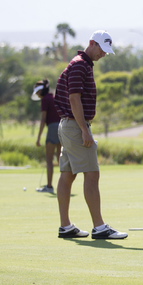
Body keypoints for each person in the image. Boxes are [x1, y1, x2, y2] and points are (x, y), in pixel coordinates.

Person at [53, 30, 127, 240]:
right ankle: (99, 227)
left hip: (68, 125)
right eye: (102, 50)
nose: (103, 54)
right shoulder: (79, 65)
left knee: (68, 174)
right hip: (75, 126)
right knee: (92, 174)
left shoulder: (81, 64)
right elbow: (74, 99)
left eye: (106, 51)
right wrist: (84, 130)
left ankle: (65, 226)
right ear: (92, 43)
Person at [31, 79, 61, 193]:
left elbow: (43, 119)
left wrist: (38, 137)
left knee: (49, 159)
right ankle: (65, 186)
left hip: (53, 128)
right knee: (60, 159)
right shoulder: (54, 97)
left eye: (37, 92)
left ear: (41, 91)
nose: (37, 95)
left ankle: (49, 186)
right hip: (62, 128)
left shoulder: (45, 100)